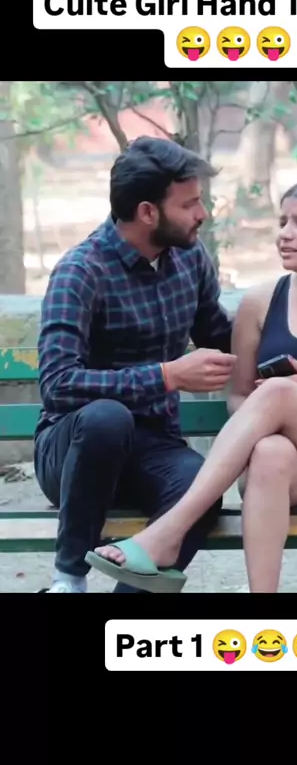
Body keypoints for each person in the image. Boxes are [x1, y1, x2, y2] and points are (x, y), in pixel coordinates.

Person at [86, 178, 297, 593]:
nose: (285, 234)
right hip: (292, 467)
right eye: (283, 222)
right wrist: (283, 410)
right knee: (269, 452)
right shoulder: (259, 302)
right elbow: (239, 398)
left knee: (279, 391)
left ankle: (169, 531)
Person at [34, 136, 236, 593]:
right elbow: (58, 385)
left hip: (153, 446)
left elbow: (219, 334)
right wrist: (167, 376)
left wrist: (294, 332)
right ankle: (69, 581)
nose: (202, 213)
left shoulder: (189, 258)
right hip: (76, 450)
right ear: (147, 212)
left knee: (200, 490)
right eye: (189, 204)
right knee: (108, 418)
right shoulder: (81, 271)